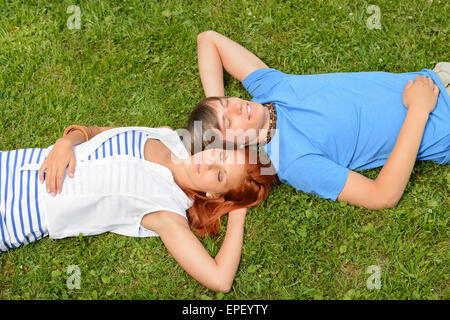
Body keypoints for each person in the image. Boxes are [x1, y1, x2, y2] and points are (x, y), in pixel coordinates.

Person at [188, 30, 449, 210]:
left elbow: (208, 39)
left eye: (227, 103)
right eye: (229, 123)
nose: (236, 108)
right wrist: (418, 109)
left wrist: (213, 106)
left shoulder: (269, 89)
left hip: (438, 76)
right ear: (237, 147)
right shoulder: (293, 162)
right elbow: (381, 195)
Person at [0, 125, 277, 293]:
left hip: (15, 214)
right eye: (220, 155)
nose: (208, 163)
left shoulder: (167, 211)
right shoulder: (166, 136)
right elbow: (95, 134)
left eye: (219, 175)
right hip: (13, 163)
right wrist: (64, 143)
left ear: (214, 193)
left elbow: (220, 280)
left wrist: (238, 213)